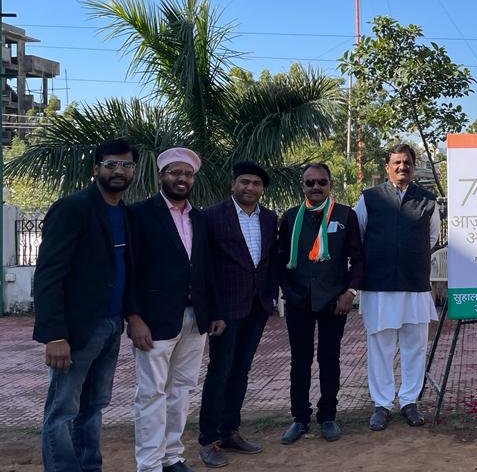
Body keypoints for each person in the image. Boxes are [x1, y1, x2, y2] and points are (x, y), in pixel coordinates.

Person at [34, 139, 137, 472]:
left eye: (126, 165)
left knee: (94, 406)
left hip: (111, 325)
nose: (119, 171)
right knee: (63, 409)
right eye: (111, 164)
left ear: (134, 171)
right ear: (96, 169)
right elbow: (49, 274)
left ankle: (89, 465)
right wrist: (54, 335)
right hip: (77, 329)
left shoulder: (124, 213)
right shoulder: (72, 208)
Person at [126, 147, 223, 472]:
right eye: (175, 172)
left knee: (181, 391)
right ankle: (149, 465)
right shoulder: (140, 214)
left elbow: (207, 268)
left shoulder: (199, 218)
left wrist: (215, 312)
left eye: (187, 174)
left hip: (195, 319)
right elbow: (130, 269)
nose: (182, 179)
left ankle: (172, 457)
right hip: (154, 320)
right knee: (151, 393)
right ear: (160, 176)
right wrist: (134, 317)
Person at [197, 162, 279, 467]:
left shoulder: (269, 218)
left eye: (256, 183)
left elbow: (270, 260)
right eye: (244, 182)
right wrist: (212, 310)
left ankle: (230, 430)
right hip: (225, 311)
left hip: (256, 307)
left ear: (262, 189)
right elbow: (204, 266)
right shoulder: (212, 216)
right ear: (234, 184)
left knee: (241, 371)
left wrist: (270, 295)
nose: (250, 188)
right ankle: (208, 439)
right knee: (220, 372)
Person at [354, 143, 440, 431]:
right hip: (379, 286)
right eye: (397, 163)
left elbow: (431, 238)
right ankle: (382, 404)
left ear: (413, 167)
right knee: (381, 347)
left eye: (407, 163)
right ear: (387, 167)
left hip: (414, 285)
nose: (402, 167)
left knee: (415, 346)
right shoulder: (369, 198)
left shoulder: (427, 200)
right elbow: (359, 235)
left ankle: (409, 401)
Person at [277, 163, 364, 445]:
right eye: (310, 182)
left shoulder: (345, 215)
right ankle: (300, 418)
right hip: (298, 300)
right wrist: (288, 291)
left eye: (321, 182)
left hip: (333, 301)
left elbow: (358, 258)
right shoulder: (291, 217)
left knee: (329, 359)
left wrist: (349, 293)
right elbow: (280, 258)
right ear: (302, 186)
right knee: (299, 360)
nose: (316, 187)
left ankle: (328, 416)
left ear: (330, 184)